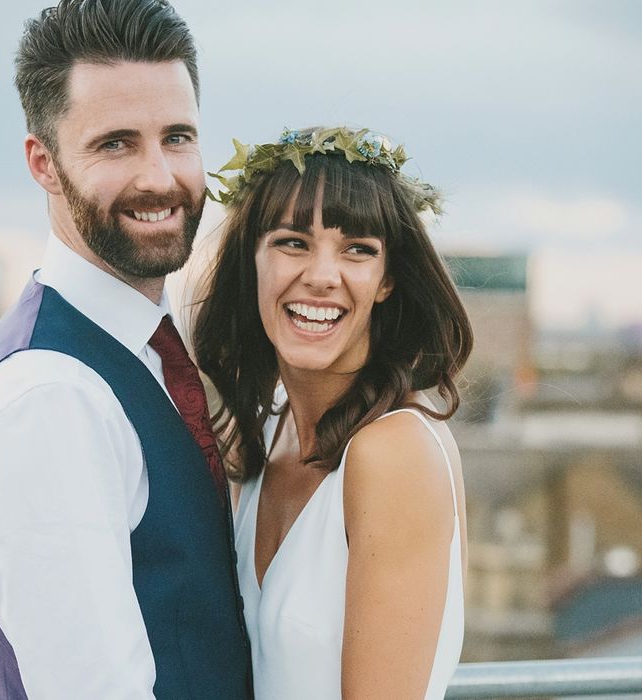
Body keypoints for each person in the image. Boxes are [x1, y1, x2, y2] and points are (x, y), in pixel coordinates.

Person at [0, 2, 251, 698]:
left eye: (177, 137)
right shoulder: (51, 400)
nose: (158, 177)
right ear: (43, 164)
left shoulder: (155, 349)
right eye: (116, 144)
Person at [194, 126, 473, 699]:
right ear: (252, 262)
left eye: (358, 250)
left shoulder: (392, 452)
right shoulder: (266, 437)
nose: (322, 276)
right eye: (293, 242)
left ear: (388, 279)